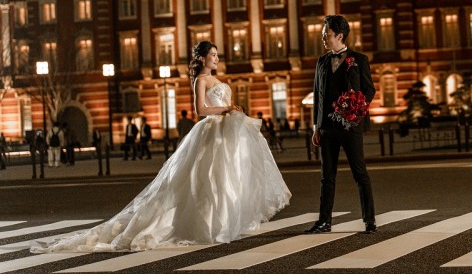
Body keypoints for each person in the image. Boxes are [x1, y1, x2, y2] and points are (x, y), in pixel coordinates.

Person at [32, 40, 290, 253]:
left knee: (226, 178)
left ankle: (224, 222)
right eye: (211, 55)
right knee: (207, 180)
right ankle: (212, 225)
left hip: (226, 132)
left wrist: (231, 110)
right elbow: (201, 110)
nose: (215, 58)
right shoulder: (201, 79)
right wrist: (226, 108)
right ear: (201, 59)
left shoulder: (214, 78)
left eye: (216, 55)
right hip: (212, 131)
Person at [305, 14, 377, 235]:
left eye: (326, 34)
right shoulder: (322, 61)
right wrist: (316, 128)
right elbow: (318, 95)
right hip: (327, 129)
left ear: (340, 35)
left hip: (350, 127)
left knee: (359, 173)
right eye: (323, 34)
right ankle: (324, 222)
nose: (323, 37)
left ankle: (369, 220)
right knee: (327, 176)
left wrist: (357, 110)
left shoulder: (359, 60)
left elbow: (369, 90)